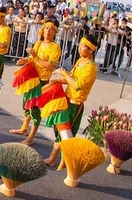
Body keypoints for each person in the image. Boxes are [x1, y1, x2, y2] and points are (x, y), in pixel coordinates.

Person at [42, 33, 99, 166]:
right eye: (79, 46)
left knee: (67, 134)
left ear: (91, 50)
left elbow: (77, 85)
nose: (79, 49)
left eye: (82, 47)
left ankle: (63, 163)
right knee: (60, 130)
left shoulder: (90, 67)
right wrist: (58, 81)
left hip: (75, 104)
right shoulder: (80, 61)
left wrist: (64, 74)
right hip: (66, 100)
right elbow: (71, 78)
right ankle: (52, 159)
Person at [9, 20, 61, 146]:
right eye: (46, 28)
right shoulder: (38, 43)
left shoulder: (55, 47)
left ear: (55, 32)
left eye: (51, 29)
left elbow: (49, 66)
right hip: (32, 79)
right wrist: (25, 60)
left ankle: (31, 137)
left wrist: (35, 57)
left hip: (42, 81)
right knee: (27, 104)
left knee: (35, 109)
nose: (48, 30)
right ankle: (24, 128)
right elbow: (32, 59)